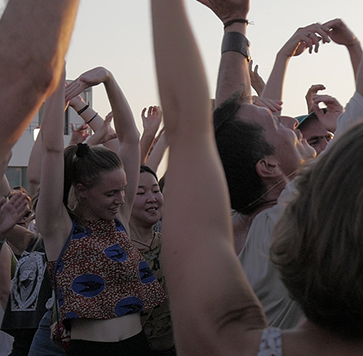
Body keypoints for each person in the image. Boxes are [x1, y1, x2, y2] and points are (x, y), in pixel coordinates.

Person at [151, 0, 363, 354]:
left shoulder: (229, 237)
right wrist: (354, 46)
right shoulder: (302, 211)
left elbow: (207, 131)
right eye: (275, 123)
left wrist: (234, 23)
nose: (290, 119)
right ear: (267, 167)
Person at [36, 66, 166, 356]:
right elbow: (53, 150)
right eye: (110, 193)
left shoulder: (120, 219)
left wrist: (109, 79)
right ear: (82, 189)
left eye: (122, 189)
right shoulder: (59, 228)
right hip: (91, 350)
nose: (122, 198)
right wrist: (58, 88)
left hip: (138, 345)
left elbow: (131, 139)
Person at [130, 166, 175, 356]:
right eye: (141, 193)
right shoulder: (117, 252)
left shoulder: (173, 244)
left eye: (156, 191)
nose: (152, 198)